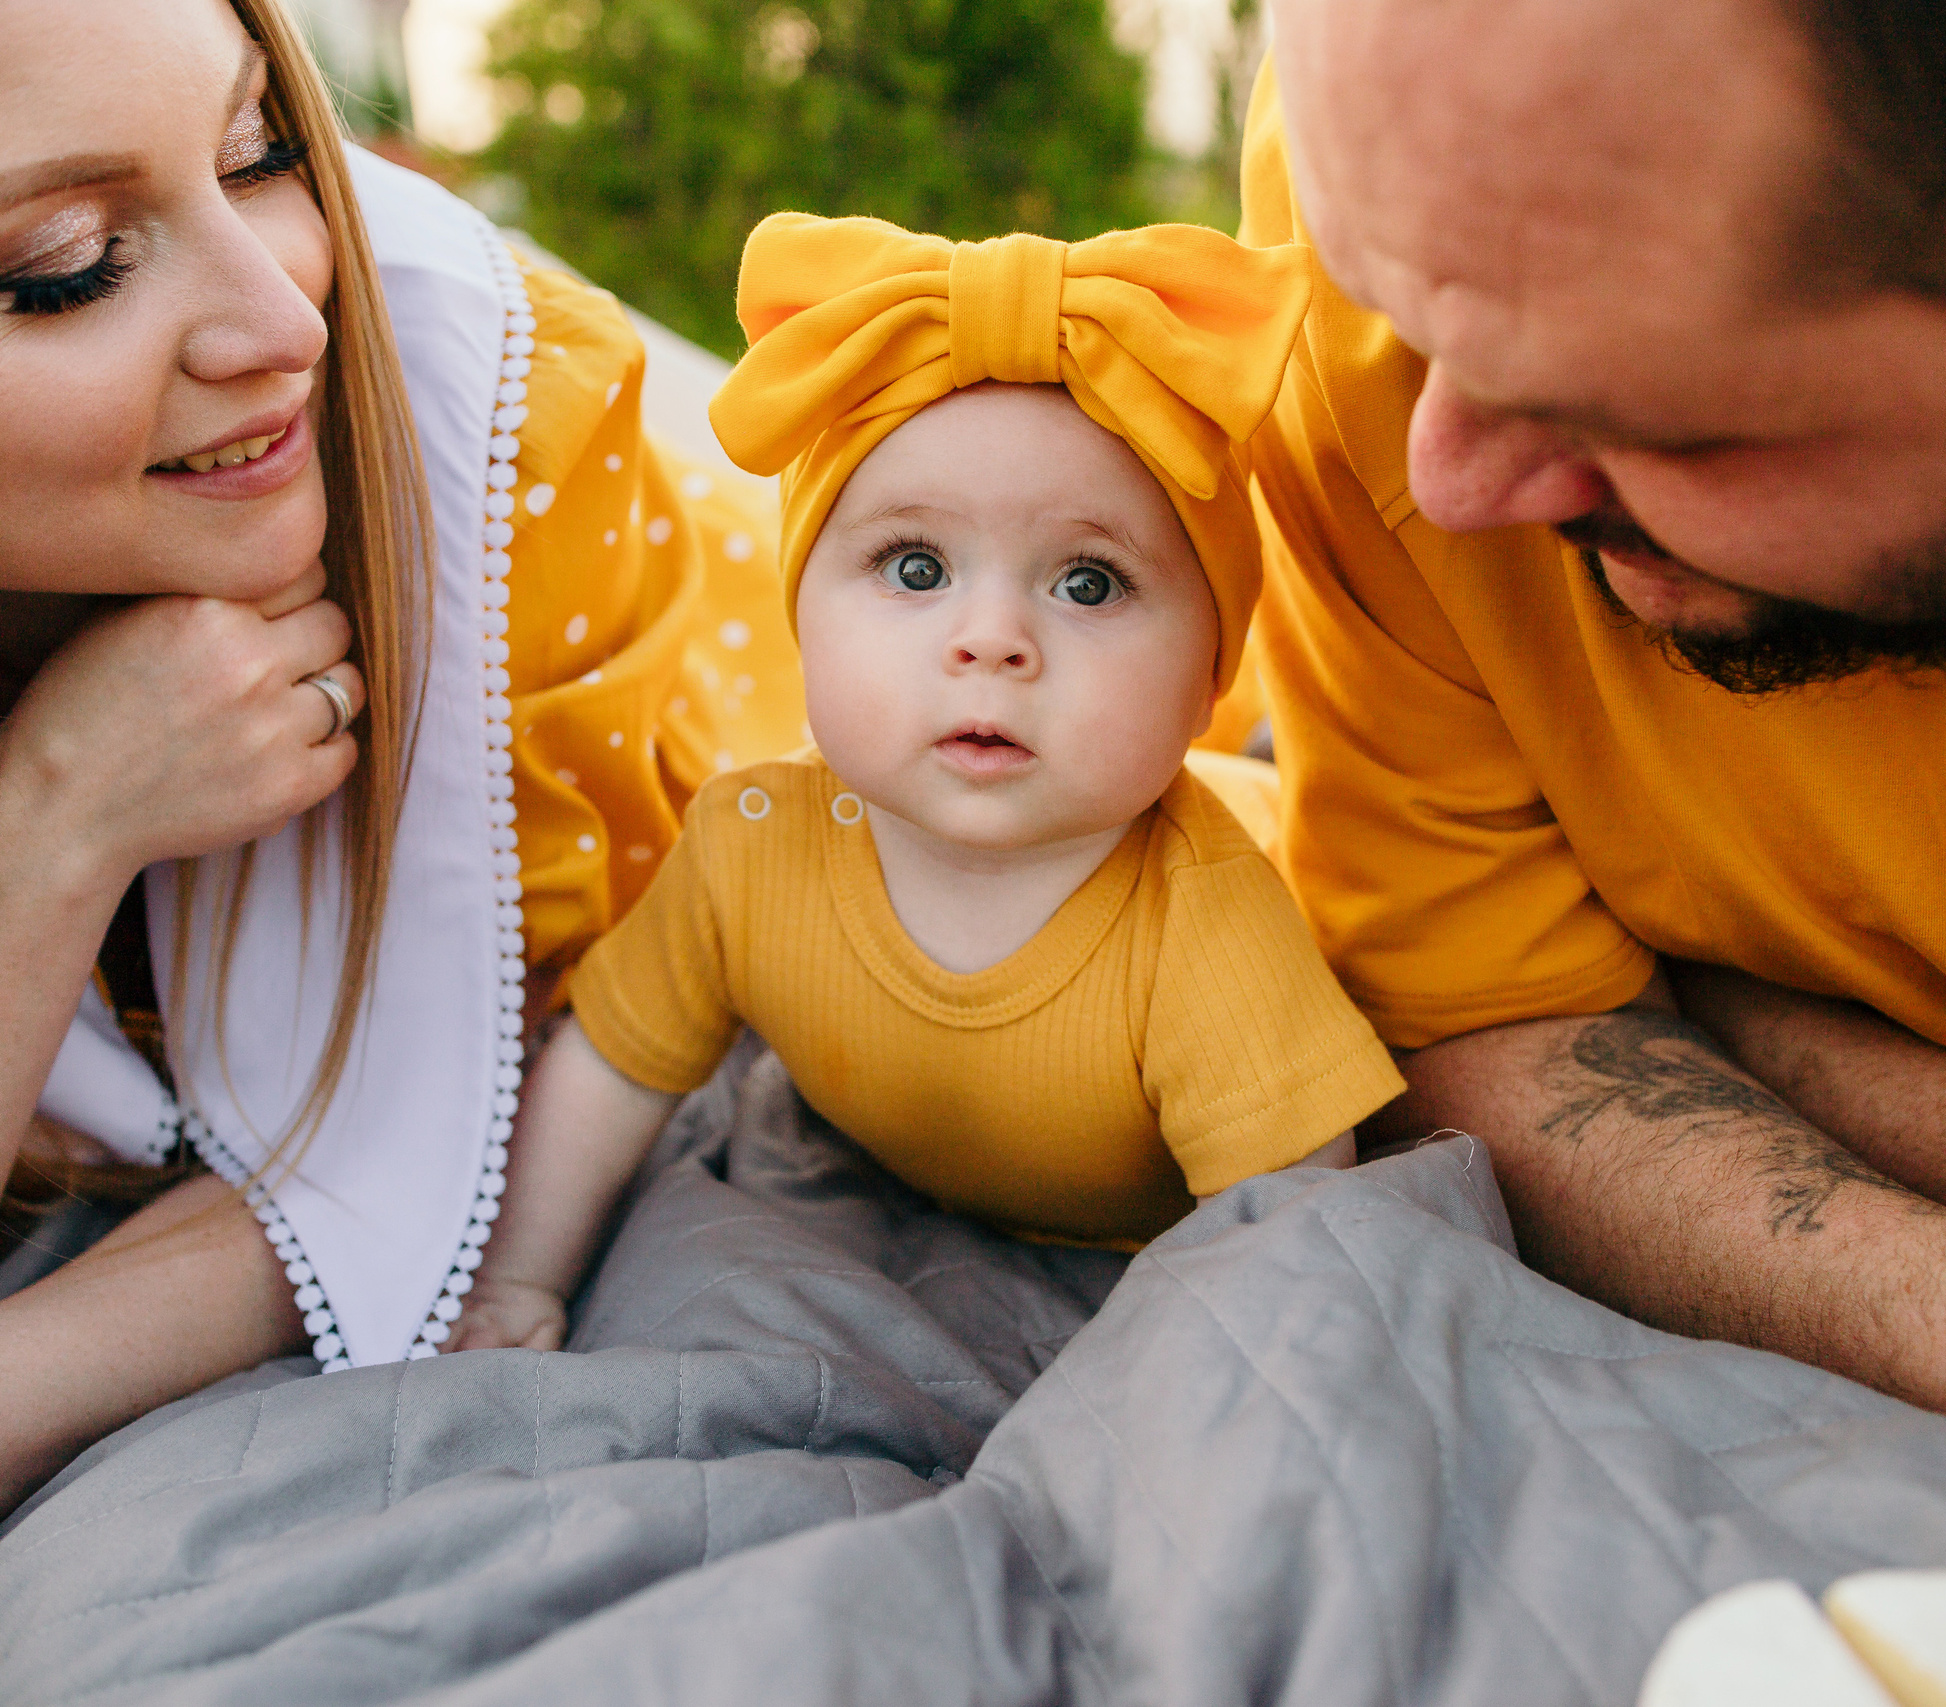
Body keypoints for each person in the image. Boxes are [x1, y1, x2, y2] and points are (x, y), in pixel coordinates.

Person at [0, 0, 800, 1698]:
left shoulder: (505, 421)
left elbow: (475, 1095)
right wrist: (54, 811)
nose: (288, 317)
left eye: (263, 150)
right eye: (65, 271)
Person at [1246, 0, 1946, 1494]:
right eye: (1398, 314)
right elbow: (1490, 1038)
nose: (1443, 480)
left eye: (1668, 424)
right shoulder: (1426, 165)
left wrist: (1727, 1020)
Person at [449, 214, 1403, 1351]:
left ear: (1208, 676)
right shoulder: (748, 846)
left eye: (1089, 584)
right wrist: (517, 1281)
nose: (991, 639)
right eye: (915, 567)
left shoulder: (1208, 921)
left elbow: (1292, 1237)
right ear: (802, 620)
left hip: (1261, 871)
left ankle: (1255, 742)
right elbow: (611, 1069)